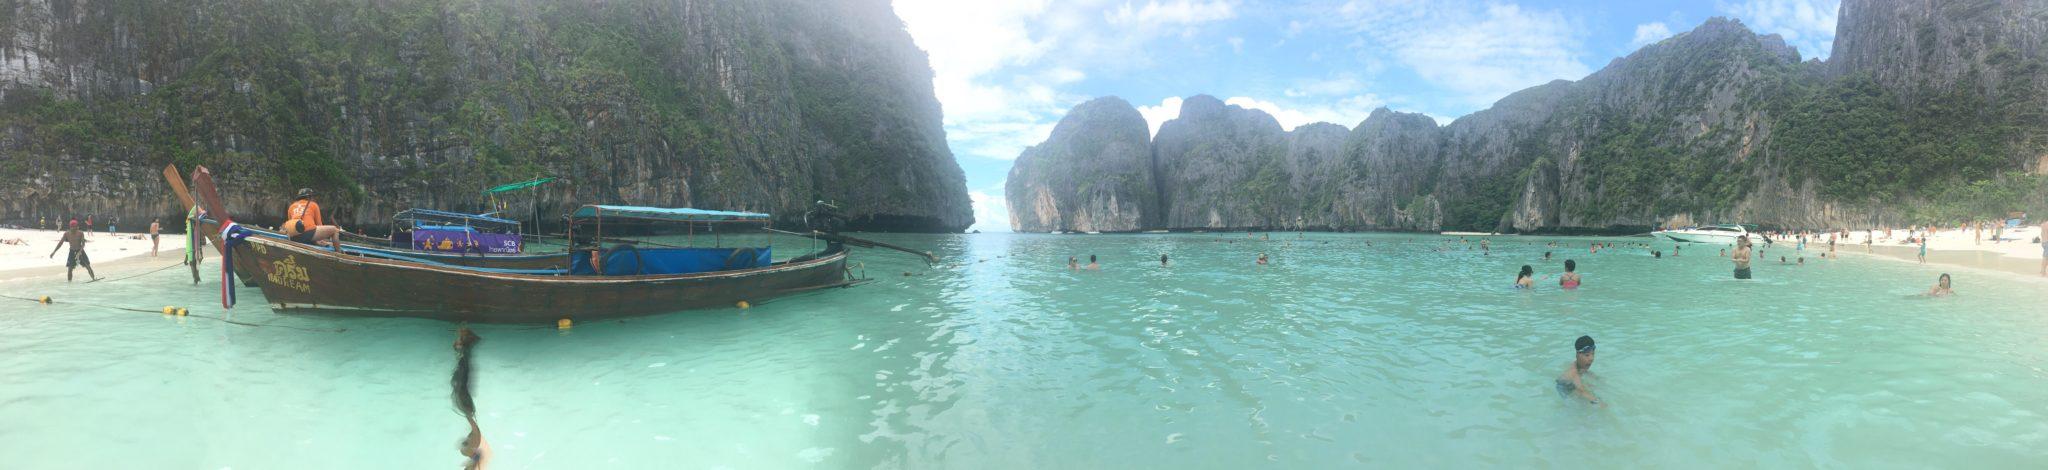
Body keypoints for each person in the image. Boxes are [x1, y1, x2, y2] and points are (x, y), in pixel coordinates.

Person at [1556, 335, 1602, 407]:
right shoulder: (1573, 372)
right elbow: (1582, 392)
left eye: (1593, 354)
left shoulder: (1581, 367)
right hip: (1564, 388)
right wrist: (1599, 403)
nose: (1591, 358)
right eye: (1587, 355)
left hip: (1571, 384)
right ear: (1577, 355)